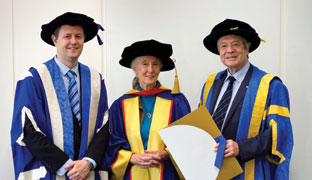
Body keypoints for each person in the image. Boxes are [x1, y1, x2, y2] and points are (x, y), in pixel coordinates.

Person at [10, 12, 109, 180]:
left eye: (78, 36)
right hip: (51, 171)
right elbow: (27, 129)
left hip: (87, 172)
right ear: (55, 40)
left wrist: (88, 162)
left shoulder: (95, 79)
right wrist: (65, 165)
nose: (73, 41)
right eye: (67, 36)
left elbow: (105, 125)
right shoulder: (34, 78)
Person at [199, 19, 293, 179]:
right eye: (223, 46)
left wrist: (241, 148)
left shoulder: (270, 86)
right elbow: (202, 125)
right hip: (212, 171)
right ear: (219, 51)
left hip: (250, 171)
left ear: (247, 47)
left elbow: (280, 134)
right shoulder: (211, 83)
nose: (229, 50)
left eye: (235, 44)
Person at [104, 39, 191, 180]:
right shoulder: (120, 105)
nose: (150, 70)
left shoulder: (176, 101)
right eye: (145, 64)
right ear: (135, 69)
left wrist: (166, 153)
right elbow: (112, 144)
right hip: (133, 173)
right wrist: (131, 157)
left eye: (155, 64)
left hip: (167, 173)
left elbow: (187, 138)